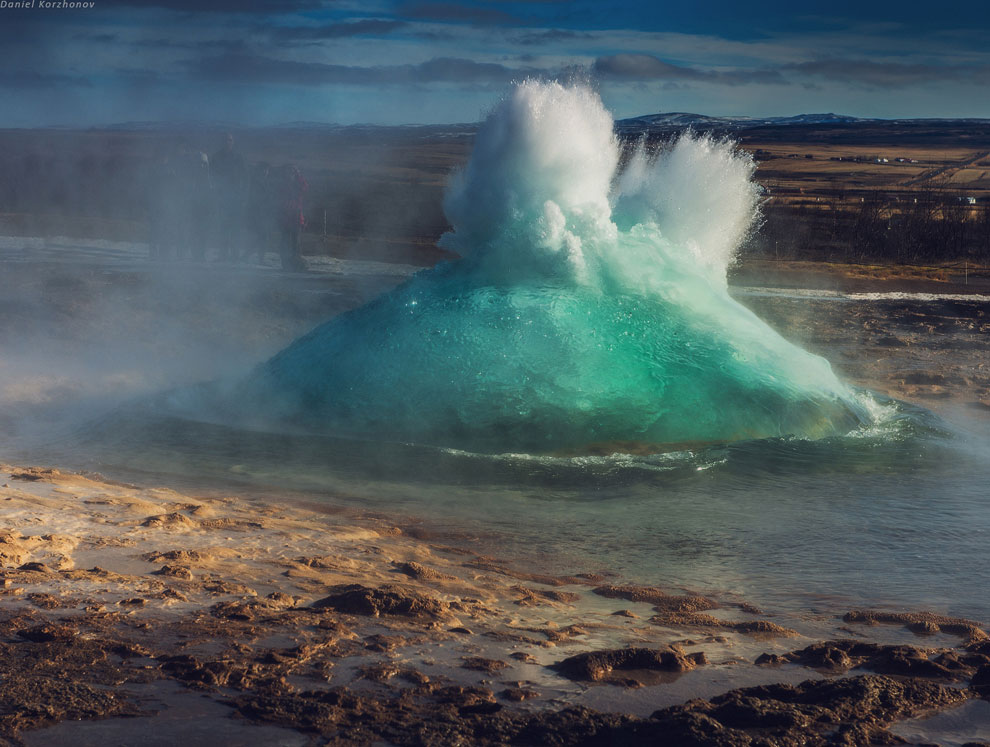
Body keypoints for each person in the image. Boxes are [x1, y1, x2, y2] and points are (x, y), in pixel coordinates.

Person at [210, 133, 247, 262]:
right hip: (222, 197)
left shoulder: (238, 158)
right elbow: (212, 178)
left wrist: (242, 197)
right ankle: (223, 255)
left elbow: (244, 178)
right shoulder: (216, 157)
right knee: (224, 227)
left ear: (233, 142)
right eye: (226, 140)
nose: (228, 142)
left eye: (230, 140)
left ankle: (235, 255)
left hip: (235, 198)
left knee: (235, 228)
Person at [276, 164, 307, 271]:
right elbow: (280, 201)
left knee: (296, 243)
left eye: (292, 173)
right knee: (285, 242)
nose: (290, 175)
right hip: (286, 218)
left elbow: (304, 187)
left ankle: (295, 264)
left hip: (296, 218)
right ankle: (285, 264)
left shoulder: (298, 186)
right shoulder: (282, 185)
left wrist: (298, 175)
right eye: (288, 172)